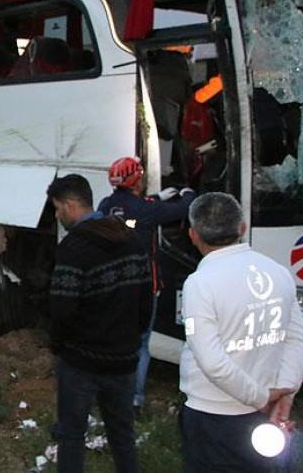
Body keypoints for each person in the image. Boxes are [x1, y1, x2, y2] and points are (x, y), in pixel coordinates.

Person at [179, 192, 303, 472]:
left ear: (193, 235)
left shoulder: (199, 284)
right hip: (268, 416)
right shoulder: (277, 272)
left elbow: (212, 362)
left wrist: (263, 398)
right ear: (242, 228)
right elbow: (300, 340)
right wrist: (284, 394)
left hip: (214, 416)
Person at [46, 174, 151, 473]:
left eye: (57, 208)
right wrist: (132, 340)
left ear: (70, 205)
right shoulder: (131, 238)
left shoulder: (74, 247)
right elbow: (146, 299)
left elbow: (62, 309)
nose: (57, 215)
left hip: (82, 363)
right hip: (123, 361)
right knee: (122, 435)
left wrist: (58, 346)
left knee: (71, 435)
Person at [98, 156, 196, 414]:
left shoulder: (107, 206)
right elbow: (182, 210)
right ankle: (135, 400)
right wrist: (188, 193)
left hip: (114, 285)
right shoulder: (146, 211)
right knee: (141, 344)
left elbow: (133, 216)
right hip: (143, 286)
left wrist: (158, 197)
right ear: (135, 180)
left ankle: (110, 393)